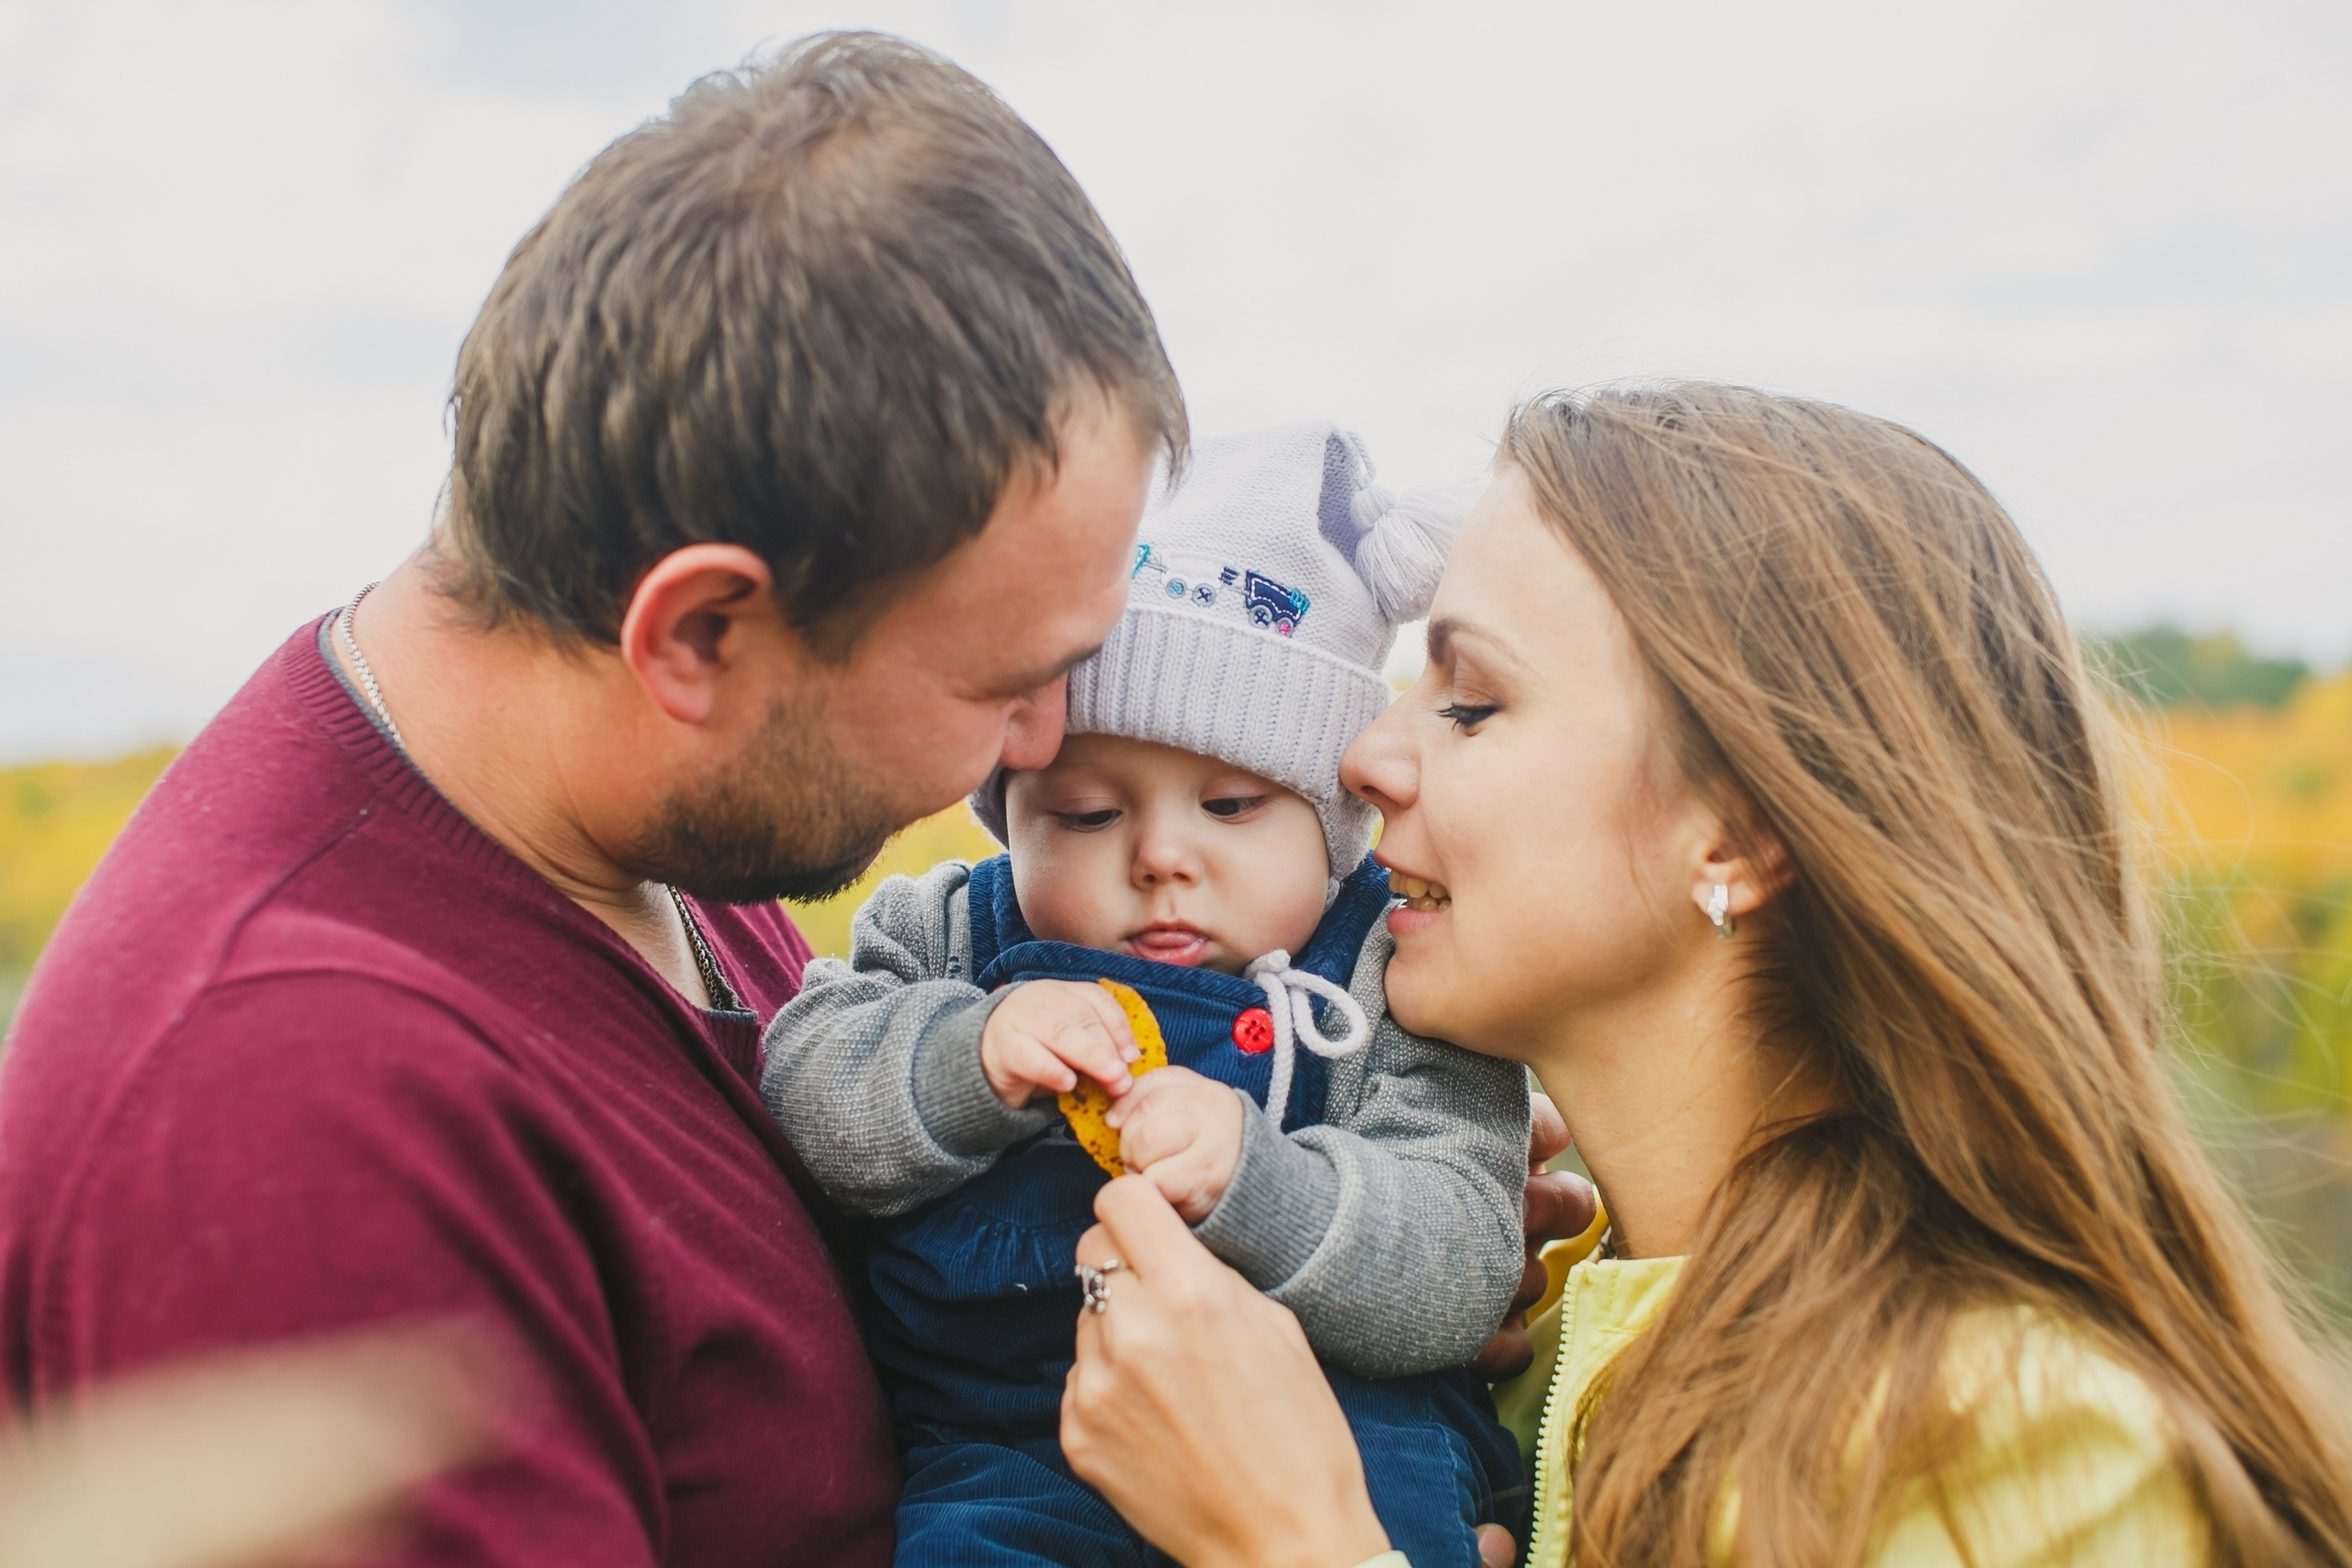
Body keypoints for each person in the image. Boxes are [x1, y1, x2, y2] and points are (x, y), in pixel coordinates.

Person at [0, 34, 1187, 1565]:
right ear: (697, 633)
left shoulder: (640, 826)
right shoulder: (289, 1126)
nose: (1046, 738)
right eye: (999, 681)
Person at [1058, 384, 2352, 1568]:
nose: (1363, 757)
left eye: (1470, 701)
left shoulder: (2028, 1446)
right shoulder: (1518, 1351)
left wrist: (1299, 1542)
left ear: (1733, 831)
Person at [763, 424, 1532, 1567]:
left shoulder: (1393, 970)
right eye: (1086, 814)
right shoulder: (949, 934)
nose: (1161, 858)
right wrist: (965, 1057)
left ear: (1334, 822)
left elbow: (1460, 1262)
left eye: (1230, 807)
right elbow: (806, 1093)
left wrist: (1259, 1182)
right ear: (1012, 812)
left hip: (1336, 1435)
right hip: (1014, 1445)